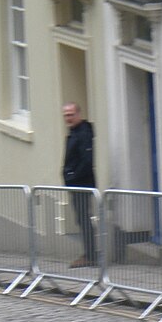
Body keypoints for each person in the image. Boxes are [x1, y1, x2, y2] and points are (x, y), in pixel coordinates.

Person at [62, 103, 97, 268]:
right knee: (81, 219)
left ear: (78, 114)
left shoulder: (83, 133)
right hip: (76, 184)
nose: (68, 118)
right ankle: (89, 253)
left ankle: (90, 255)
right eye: (65, 115)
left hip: (82, 184)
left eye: (71, 114)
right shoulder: (74, 132)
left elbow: (86, 161)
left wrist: (72, 177)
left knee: (84, 219)